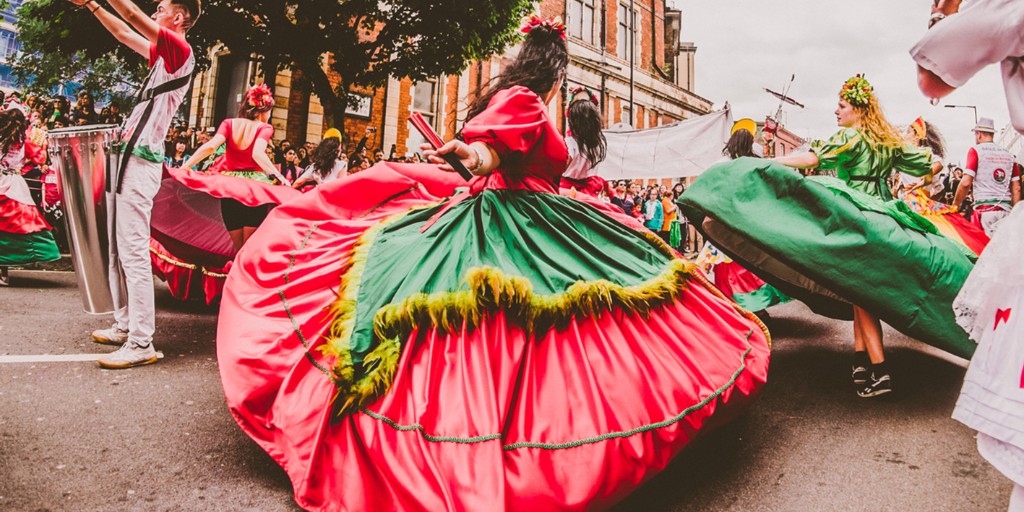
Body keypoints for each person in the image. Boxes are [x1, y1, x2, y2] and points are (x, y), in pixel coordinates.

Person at [214, 16, 769, 511]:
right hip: (515, 220)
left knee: (523, 328)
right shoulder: (527, 101)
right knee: (513, 330)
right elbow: (492, 149)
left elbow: (493, 147)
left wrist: (474, 154)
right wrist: (473, 155)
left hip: (532, 214)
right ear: (555, 71)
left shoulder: (523, 101)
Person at [681, 75, 977, 399]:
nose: (837, 111)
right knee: (863, 292)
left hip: (857, 214)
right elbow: (929, 165)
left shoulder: (849, 137)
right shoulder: (887, 141)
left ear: (858, 109)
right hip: (886, 214)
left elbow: (812, 159)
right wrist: (926, 176)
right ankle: (863, 360)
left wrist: (769, 161)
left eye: (842, 106)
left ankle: (877, 369)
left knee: (862, 292)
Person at [912, 4, 1024, 509]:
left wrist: (947, 12)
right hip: (1008, 208)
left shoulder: (1010, 8)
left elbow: (932, 81)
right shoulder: (1009, 157)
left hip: (986, 211)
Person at [70, 0, 200, 369]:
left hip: (140, 163)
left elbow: (131, 17)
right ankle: (126, 323)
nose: (154, 11)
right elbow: (124, 32)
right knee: (116, 248)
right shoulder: (163, 57)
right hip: (127, 158)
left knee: (132, 252)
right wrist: (93, 6)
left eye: (160, 8)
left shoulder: (181, 49)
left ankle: (142, 342)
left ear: (179, 18)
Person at [177, 83, 291, 250]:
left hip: (229, 188)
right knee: (249, 247)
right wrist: (279, 176)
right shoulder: (265, 128)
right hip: (254, 192)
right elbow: (257, 153)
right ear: (263, 111)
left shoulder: (228, 123)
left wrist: (185, 167)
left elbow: (210, 147)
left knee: (239, 248)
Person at [0, 107, 59, 286]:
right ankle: (4, 272)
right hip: (15, 184)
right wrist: (22, 167)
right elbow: (41, 157)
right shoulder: (25, 143)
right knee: (20, 224)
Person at [951, 117, 1021, 236]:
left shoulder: (976, 151)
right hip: (1006, 213)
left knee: (985, 250)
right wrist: (1015, 215)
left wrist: (955, 205)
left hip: (985, 212)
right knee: (1004, 250)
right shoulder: (1009, 155)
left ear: (978, 134)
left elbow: (966, 183)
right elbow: (1016, 188)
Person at [559, 86, 607, 196]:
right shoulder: (598, 145)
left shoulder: (569, 143)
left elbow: (558, 169)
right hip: (589, 196)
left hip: (568, 195)